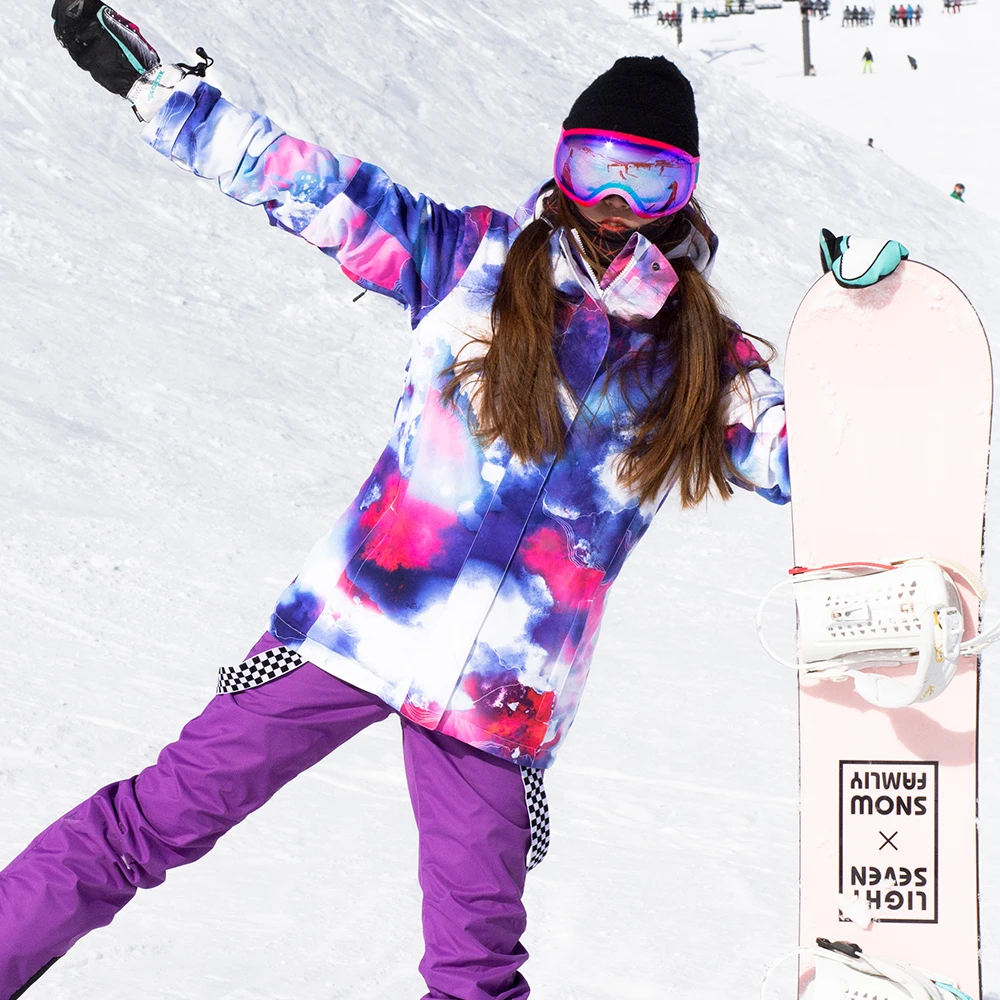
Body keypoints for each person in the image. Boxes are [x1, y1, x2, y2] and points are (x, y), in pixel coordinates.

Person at [3, 5, 794, 1000]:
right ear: (561, 166)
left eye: (648, 180)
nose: (614, 204)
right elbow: (309, 186)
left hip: (498, 695)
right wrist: (161, 95)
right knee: (153, 821)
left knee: (475, 969)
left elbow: (804, 460)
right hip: (355, 626)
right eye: (597, 167)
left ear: (684, 196)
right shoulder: (471, 261)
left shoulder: (701, 360)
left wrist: (877, 348)